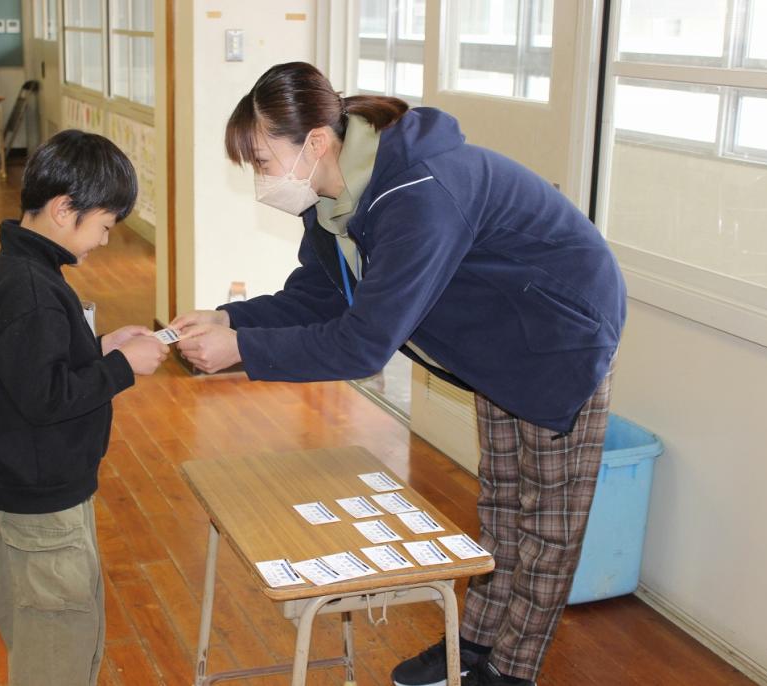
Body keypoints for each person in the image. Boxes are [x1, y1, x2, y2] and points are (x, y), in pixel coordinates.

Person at [173, 62, 626, 686]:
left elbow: (362, 345)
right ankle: (467, 649)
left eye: (261, 159)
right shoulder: (333, 198)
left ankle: (512, 672)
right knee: (501, 505)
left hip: (560, 336)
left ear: (314, 142)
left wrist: (242, 349)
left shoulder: (419, 193)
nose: (261, 179)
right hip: (495, 334)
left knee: (546, 522)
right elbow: (321, 297)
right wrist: (227, 318)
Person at [0, 129, 169, 686]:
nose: (104, 240)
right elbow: (46, 397)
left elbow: (33, 366)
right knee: (57, 640)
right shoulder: (32, 290)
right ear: (62, 210)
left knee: (54, 629)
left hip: (35, 494)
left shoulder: (26, 269)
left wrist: (100, 348)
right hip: (39, 506)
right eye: (103, 225)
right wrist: (124, 368)